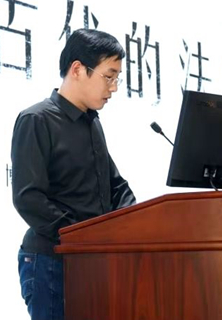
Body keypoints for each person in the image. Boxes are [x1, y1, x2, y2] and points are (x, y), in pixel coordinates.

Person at [11, 28, 137, 320]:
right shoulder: (36, 119)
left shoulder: (91, 122)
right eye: (109, 76)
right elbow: (28, 197)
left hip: (89, 258)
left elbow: (115, 186)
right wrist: (80, 237)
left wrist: (135, 222)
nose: (114, 87)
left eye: (117, 78)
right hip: (50, 261)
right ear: (78, 69)